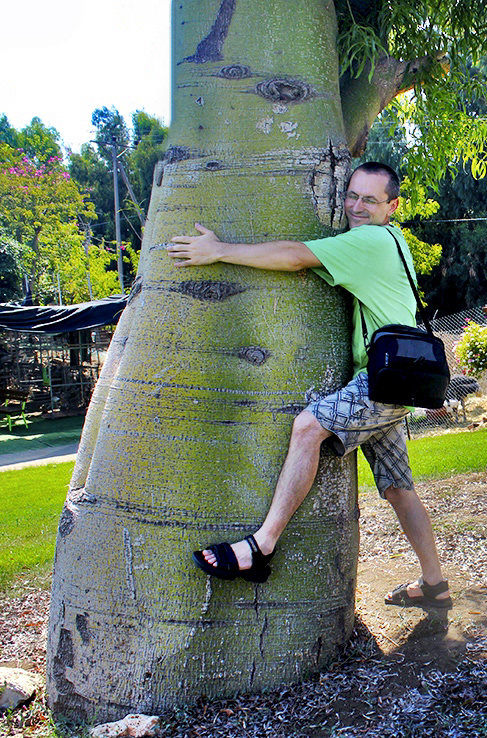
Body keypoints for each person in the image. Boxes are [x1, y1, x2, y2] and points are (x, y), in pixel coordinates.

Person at [167, 162, 451, 609]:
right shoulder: (392, 241)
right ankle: (435, 585)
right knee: (398, 488)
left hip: (384, 381)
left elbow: (294, 255)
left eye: (370, 200)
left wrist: (219, 250)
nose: (357, 207)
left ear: (392, 207)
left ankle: (260, 546)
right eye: (352, 196)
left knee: (307, 428)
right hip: (402, 380)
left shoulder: (372, 240)